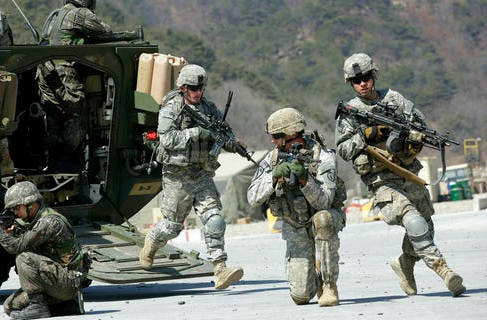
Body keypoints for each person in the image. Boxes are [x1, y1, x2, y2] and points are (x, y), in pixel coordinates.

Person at [335, 53, 465, 297]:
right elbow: (342, 149)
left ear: (374, 76)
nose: (362, 83)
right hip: (381, 179)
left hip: (407, 172)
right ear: (350, 83)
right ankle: (444, 271)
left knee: (425, 225)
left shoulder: (395, 99)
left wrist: (414, 136)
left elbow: (420, 126)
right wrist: (367, 135)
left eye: (365, 77)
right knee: (412, 218)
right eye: (356, 80)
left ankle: (405, 263)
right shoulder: (350, 111)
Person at [139, 64, 244, 290]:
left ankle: (220, 268)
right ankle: (152, 241)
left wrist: (232, 144)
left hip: (202, 173)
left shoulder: (209, 108)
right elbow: (166, 139)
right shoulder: (171, 108)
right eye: (193, 88)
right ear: (183, 88)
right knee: (172, 227)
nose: (198, 92)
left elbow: (223, 134)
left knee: (214, 218)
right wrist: (196, 133)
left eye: (201, 88)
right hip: (177, 177)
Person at [247, 108, 347, 306]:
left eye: (276, 136)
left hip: (321, 217)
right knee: (300, 297)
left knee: (323, 220)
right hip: (294, 225)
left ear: (291, 134)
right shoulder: (272, 159)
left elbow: (325, 202)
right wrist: (273, 178)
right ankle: (314, 278)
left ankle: (328, 286)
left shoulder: (323, 156)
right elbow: (252, 197)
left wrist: (304, 180)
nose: (272, 141)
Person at [0, 181, 87, 319]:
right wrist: (14, 232)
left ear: (31, 204)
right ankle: (66, 306)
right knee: (10, 306)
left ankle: (38, 307)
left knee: (24, 257)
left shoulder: (49, 222)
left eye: (17, 208)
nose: (15, 213)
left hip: (68, 282)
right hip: (55, 280)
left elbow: (17, 247)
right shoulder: (36, 220)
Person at [44, 0, 133, 45]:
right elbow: (106, 31)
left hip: (52, 63)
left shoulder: (58, 12)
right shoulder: (80, 13)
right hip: (69, 66)